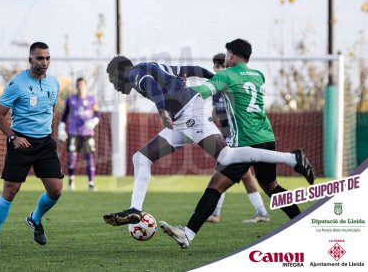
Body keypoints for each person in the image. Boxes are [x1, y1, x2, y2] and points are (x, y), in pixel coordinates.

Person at [102, 54, 314, 227]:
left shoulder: (135, 74)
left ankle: (292, 158)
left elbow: (152, 86)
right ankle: (135, 209)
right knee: (141, 158)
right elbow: (191, 70)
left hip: (188, 113)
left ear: (120, 72)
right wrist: (214, 78)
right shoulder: (153, 65)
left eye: (112, 80)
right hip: (182, 118)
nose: (114, 85)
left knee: (227, 156)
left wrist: (161, 110)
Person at [160, 38, 307, 249]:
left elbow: (202, 90)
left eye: (227, 54)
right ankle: (303, 225)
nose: (225, 57)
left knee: (215, 185)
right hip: (267, 137)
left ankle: (188, 234)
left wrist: (174, 96)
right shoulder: (258, 75)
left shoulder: (226, 75)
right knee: (271, 186)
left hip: (245, 143)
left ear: (231, 55)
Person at [0, 42, 64, 249]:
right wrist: (13, 138)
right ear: (30, 59)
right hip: (20, 141)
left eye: (47, 58)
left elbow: (50, 110)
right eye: (39, 58)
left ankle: (34, 219)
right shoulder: (16, 84)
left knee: (56, 191)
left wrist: (49, 134)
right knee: (11, 190)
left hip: (45, 143)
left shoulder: (54, 83)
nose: (44, 62)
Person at [207, 53, 269, 224]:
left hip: (239, 137)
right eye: (215, 66)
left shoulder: (233, 85)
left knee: (220, 173)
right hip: (228, 137)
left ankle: (215, 213)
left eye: (221, 65)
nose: (218, 69)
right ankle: (261, 212)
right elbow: (215, 112)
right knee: (246, 176)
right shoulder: (216, 90)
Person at [58, 77, 102, 191]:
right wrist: (61, 128)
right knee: (72, 157)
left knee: (89, 157)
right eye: (78, 85)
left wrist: (93, 122)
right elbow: (64, 115)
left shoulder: (92, 99)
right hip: (74, 132)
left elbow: (98, 114)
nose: (80, 87)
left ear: (85, 86)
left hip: (87, 133)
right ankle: (71, 181)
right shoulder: (71, 99)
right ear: (76, 86)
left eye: (82, 85)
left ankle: (91, 183)